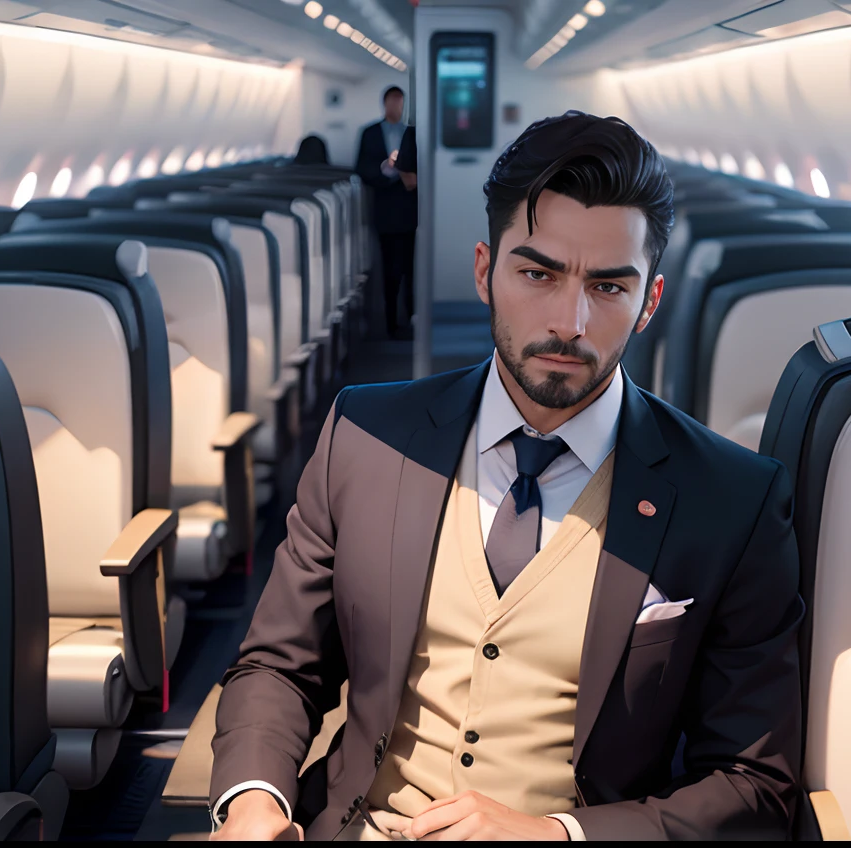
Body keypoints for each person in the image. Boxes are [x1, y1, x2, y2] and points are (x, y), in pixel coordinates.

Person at [210, 111, 804, 841]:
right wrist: (253, 802)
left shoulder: (732, 498)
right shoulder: (366, 435)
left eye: (609, 289)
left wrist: (559, 834)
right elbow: (278, 664)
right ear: (487, 271)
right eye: (538, 274)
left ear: (649, 301)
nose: (570, 321)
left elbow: (753, 784)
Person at [356, 86, 418, 339]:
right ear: (385, 103)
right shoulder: (370, 134)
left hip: (410, 209)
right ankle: (391, 322)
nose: (397, 106)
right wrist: (387, 175)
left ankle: (413, 318)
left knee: (411, 269)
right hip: (384, 209)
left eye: (400, 102)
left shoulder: (412, 133)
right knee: (389, 270)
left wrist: (403, 176)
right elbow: (362, 168)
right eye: (393, 101)